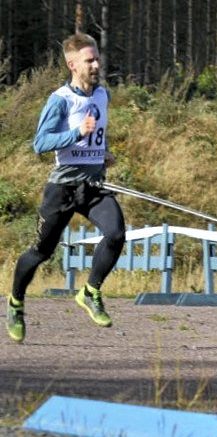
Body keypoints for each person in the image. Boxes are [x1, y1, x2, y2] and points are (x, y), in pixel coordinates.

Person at [6, 33, 125, 343]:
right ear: (73, 65)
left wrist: (103, 152)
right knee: (40, 252)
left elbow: (98, 134)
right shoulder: (61, 100)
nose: (97, 64)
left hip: (93, 185)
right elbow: (40, 144)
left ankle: (90, 292)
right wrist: (75, 132)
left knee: (116, 234)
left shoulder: (102, 96)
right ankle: (16, 302)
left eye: (97, 58)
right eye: (89, 60)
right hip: (63, 188)